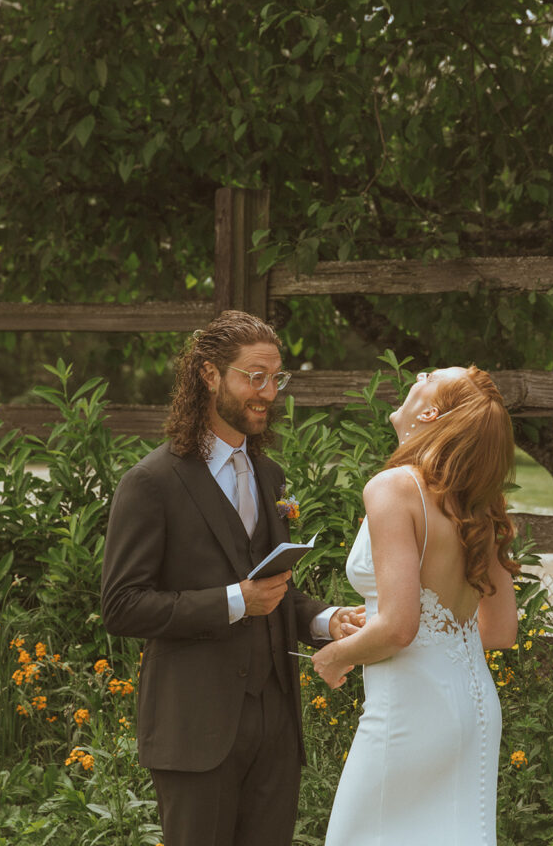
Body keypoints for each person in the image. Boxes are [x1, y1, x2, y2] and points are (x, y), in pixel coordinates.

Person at [101, 310, 363, 846]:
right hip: (195, 730)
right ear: (209, 375)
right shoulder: (151, 482)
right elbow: (123, 606)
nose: (268, 392)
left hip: (276, 728)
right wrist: (233, 601)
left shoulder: (270, 475)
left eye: (277, 378)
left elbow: (273, 589)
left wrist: (327, 619)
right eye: (255, 376)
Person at [313, 365, 520, 846]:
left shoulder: (393, 487)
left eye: (430, 374)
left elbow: (400, 628)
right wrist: (422, 624)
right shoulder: (477, 500)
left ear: (430, 411)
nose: (420, 372)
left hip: (409, 710)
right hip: (473, 710)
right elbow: (499, 630)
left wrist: (334, 655)